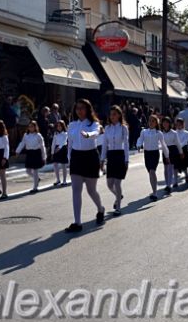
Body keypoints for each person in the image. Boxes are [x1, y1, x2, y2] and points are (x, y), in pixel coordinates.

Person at [65, 99, 105, 233]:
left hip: (90, 157)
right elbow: (69, 144)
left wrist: (88, 135)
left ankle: (100, 209)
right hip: (76, 158)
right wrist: (69, 159)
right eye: (77, 108)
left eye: (82, 108)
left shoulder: (94, 124)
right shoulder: (71, 125)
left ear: (88, 109)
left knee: (91, 190)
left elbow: (96, 133)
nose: (79, 111)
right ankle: (77, 222)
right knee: (76, 190)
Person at [101, 106, 129, 215]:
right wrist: (102, 159)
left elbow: (126, 145)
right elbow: (104, 145)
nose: (112, 116)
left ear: (119, 115)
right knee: (109, 184)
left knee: (117, 183)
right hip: (111, 156)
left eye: (114, 114)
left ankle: (118, 207)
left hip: (120, 155)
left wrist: (126, 160)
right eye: (111, 114)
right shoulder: (107, 128)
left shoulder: (123, 128)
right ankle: (119, 196)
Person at [137, 115, 168, 201]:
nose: (151, 123)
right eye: (150, 121)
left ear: (156, 123)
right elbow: (140, 139)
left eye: (153, 121)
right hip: (147, 154)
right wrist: (139, 145)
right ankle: (153, 189)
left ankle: (154, 193)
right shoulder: (144, 132)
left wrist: (167, 155)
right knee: (150, 173)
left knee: (152, 171)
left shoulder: (159, 133)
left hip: (155, 154)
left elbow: (163, 145)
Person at [15, 121, 46, 194]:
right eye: (29, 126)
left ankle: (35, 187)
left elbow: (42, 147)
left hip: (36, 153)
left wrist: (44, 156)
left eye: (32, 126)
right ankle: (37, 179)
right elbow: (22, 143)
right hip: (29, 153)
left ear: (35, 127)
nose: (30, 128)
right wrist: (17, 151)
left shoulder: (38, 135)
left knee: (35, 171)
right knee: (28, 171)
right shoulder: (26, 135)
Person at [161, 116, 180, 194]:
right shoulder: (161, 133)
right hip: (165, 150)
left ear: (170, 124)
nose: (165, 124)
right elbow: (160, 143)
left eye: (167, 122)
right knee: (165, 168)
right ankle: (167, 184)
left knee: (170, 168)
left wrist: (181, 152)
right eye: (164, 122)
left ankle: (169, 185)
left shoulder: (174, 133)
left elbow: (178, 143)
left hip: (172, 150)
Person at [51, 120, 69, 186]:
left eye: (60, 126)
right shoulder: (55, 133)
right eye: (57, 126)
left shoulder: (65, 133)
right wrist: (52, 152)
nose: (59, 127)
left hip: (63, 149)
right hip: (56, 149)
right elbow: (53, 143)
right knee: (55, 164)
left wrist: (59, 148)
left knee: (63, 165)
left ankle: (64, 181)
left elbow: (64, 141)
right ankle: (58, 180)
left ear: (62, 126)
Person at [175, 117, 188, 185]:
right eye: (177, 124)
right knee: (177, 165)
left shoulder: (187, 133)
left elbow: (185, 141)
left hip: (184, 150)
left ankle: (187, 175)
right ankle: (176, 181)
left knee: (185, 164)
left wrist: (179, 146)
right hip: (176, 150)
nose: (178, 126)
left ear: (183, 125)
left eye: (180, 124)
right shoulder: (174, 132)